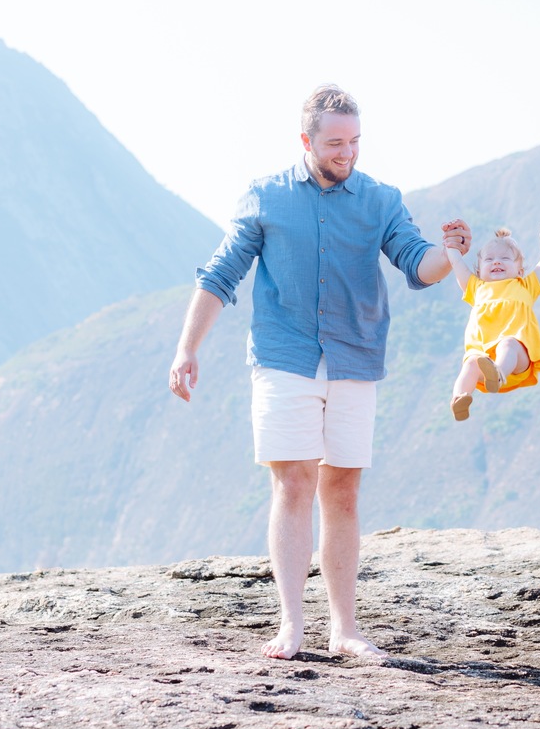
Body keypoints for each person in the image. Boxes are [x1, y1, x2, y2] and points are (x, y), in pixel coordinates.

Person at [168, 84, 471, 661]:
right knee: (293, 484)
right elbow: (219, 274)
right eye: (335, 142)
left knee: (345, 491)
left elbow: (418, 262)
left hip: (357, 358)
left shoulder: (381, 199)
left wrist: (451, 250)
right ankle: (290, 625)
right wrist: (188, 350)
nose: (347, 152)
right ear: (305, 140)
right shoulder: (266, 196)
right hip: (285, 357)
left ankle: (345, 629)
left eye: (355, 141)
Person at [445, 223, 540, 420]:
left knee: (508, 343)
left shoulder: (526, 286)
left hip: (515, 360)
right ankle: (459, 398)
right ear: (479, 271)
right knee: (471, 362)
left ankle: (497, 373)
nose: (496, 262)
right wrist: (450, 245)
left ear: (520, 270)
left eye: (505, 258)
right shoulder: (476, 288)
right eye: (489, 259)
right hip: (484, 358)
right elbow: (457, 264)